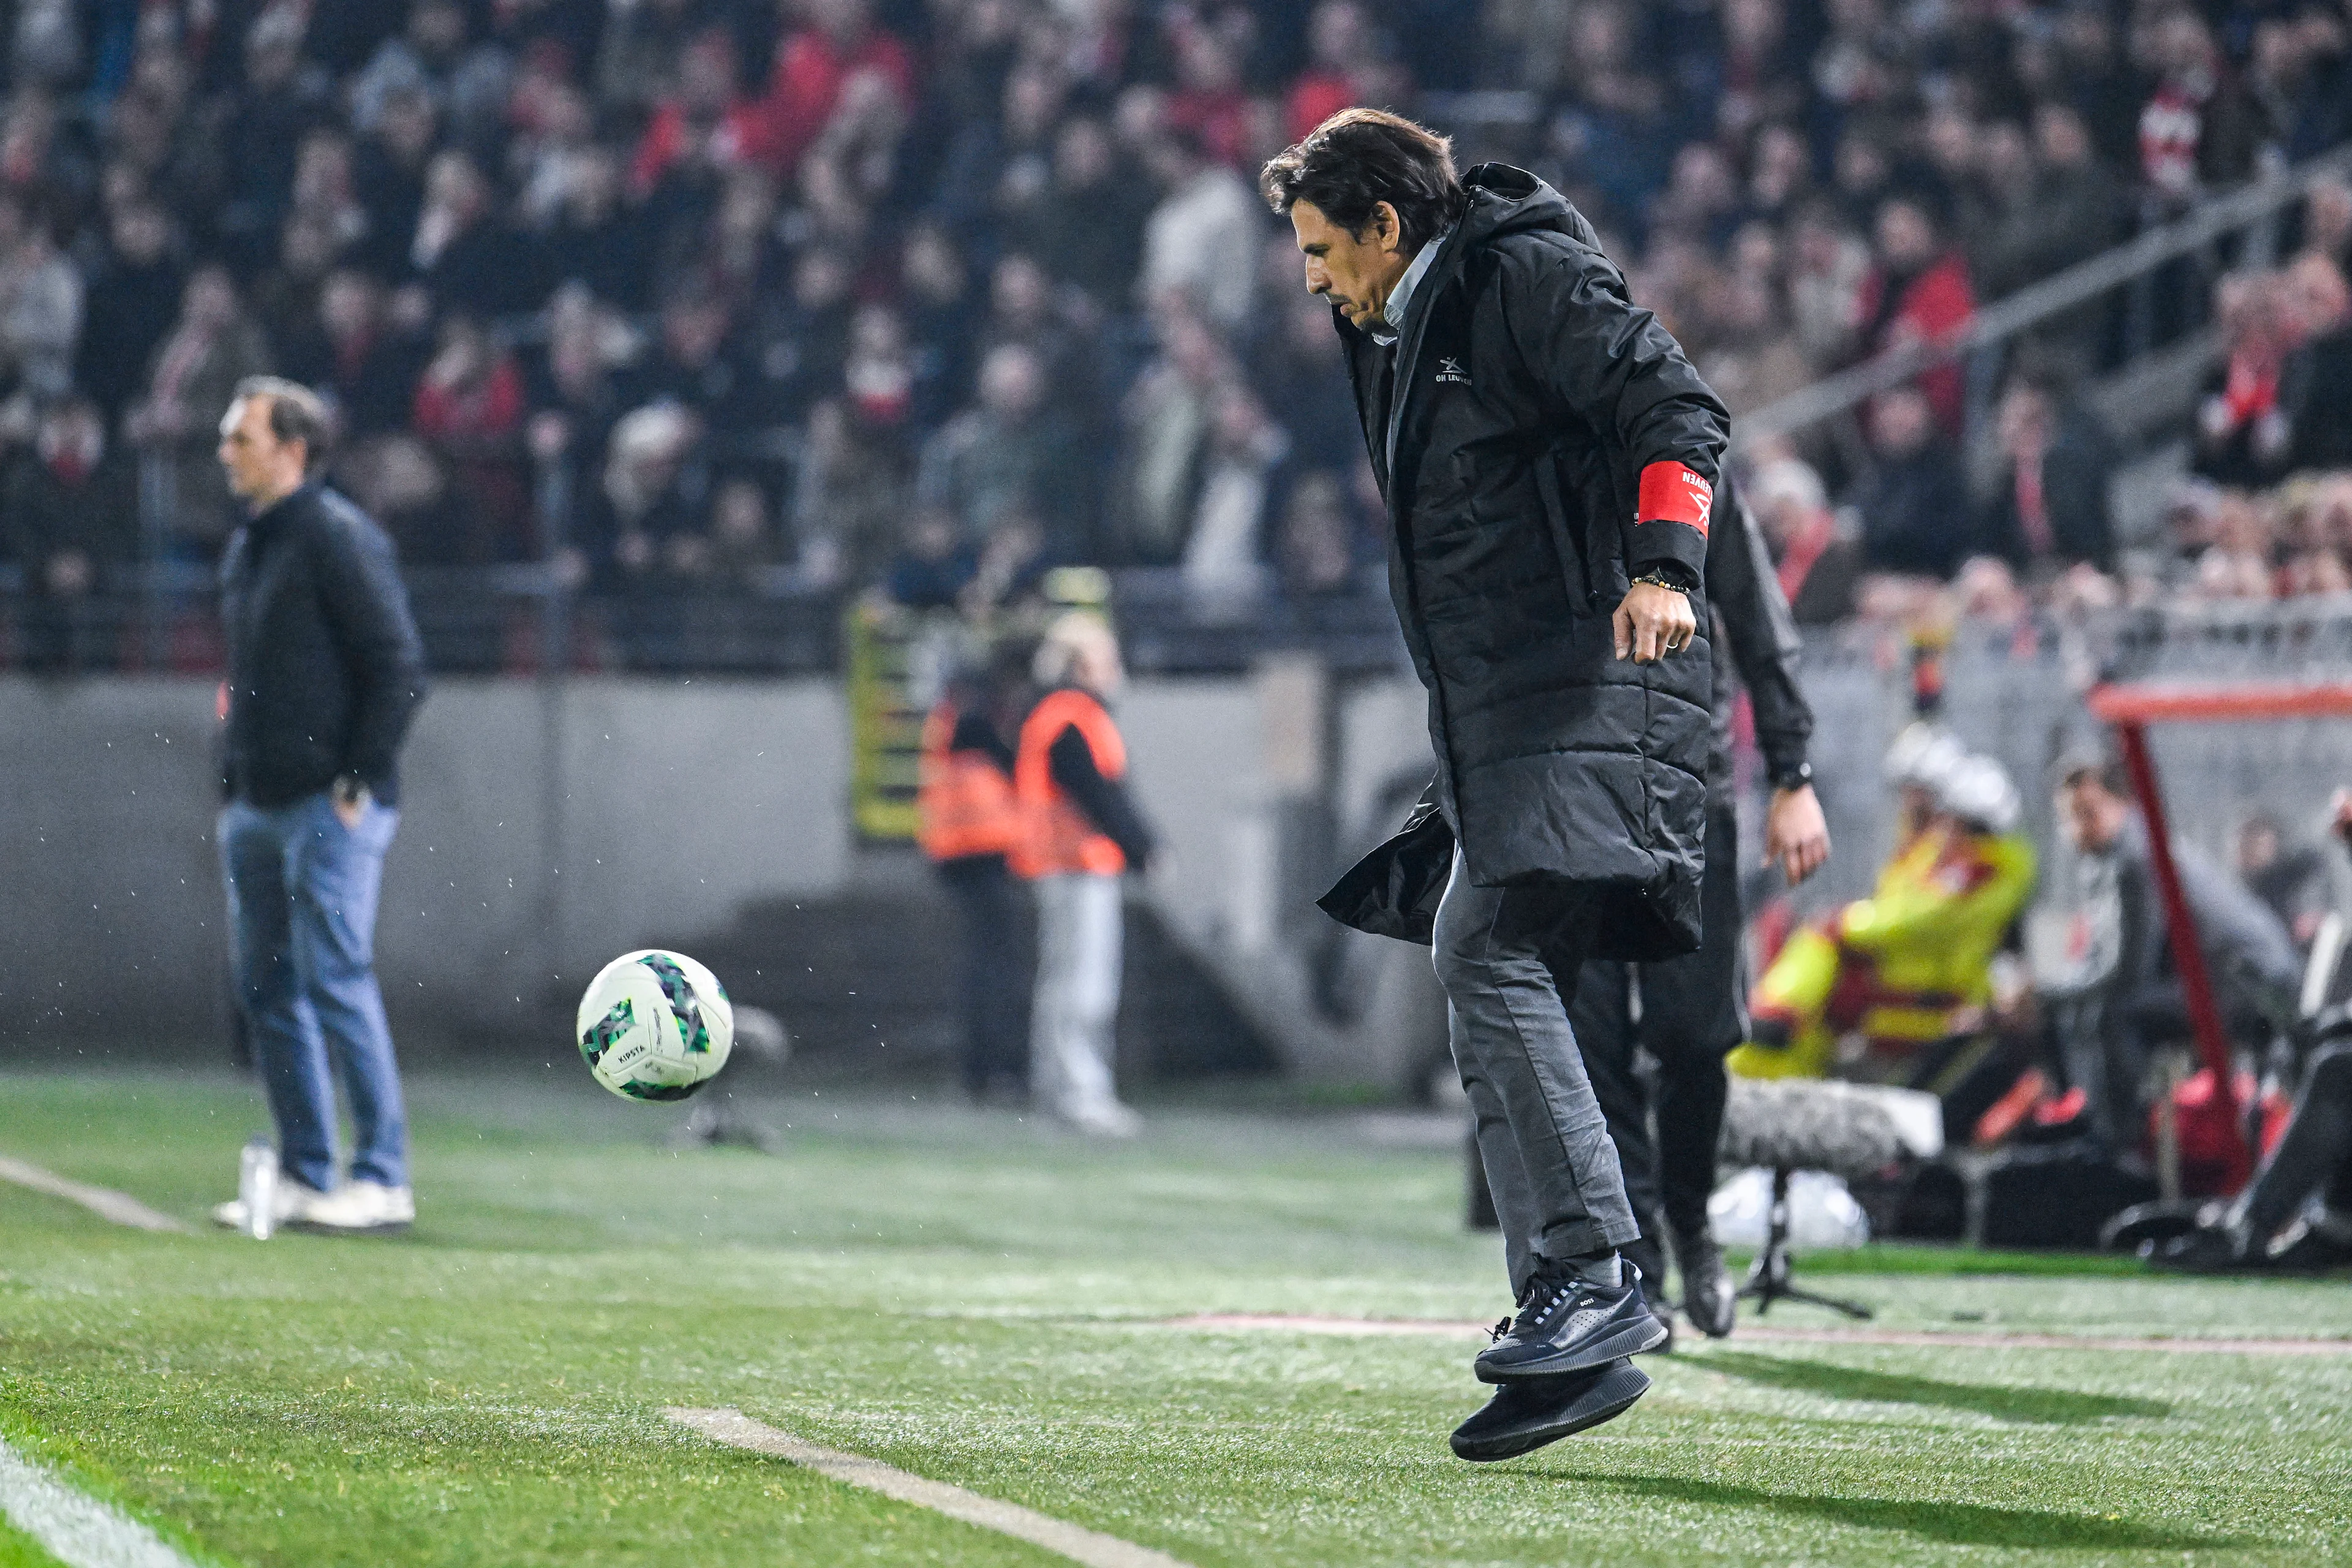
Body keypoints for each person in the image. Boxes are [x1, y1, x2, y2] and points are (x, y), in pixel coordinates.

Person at [1267, 109, 1727, 1460]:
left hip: (1590, 684)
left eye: (1316, 248)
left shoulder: (1520, 276)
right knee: (1480, 951)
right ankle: (1568, 1314)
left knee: (1487, 941)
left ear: (1385, 228)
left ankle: (1594, 1274)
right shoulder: (1400, 320)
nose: (1308, 278)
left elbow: (1680, 410)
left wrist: (1665, 570)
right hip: (1497, 703)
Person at [1553, 477, 1830, 1346]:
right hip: (1575, 792)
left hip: (1686, 794)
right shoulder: (1541, 463)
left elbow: (1758, 623)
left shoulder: (1692, 472)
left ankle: (1691, 1226)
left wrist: (1793, 775)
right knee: (1592, 1040)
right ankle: (1635, 1265)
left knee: (1694, 1034)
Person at [208, 377, 429, 1237]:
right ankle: (305, 1174)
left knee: (336, 980)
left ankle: (382, 1178)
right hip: (258, 804)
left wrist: (357, 779)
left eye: (242, 438)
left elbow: (400, 664)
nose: (226, 453)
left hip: (327, 804)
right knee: (267, 987)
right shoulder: (252, 546)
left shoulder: (337, 537)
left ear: (293, 449)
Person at [2041, 751, 2302, 1153]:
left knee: (2112, 1013)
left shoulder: (2135, 859)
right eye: (2069, 818)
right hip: (2218, 982)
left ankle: (2119, 1146)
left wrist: (2047, 993)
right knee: (2084, 1007)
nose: (2077, 829)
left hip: (2248, 990)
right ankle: (2093, 1120)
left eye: (2088, 813)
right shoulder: (2117, 858)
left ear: (2122, 804)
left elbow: (2126, 973)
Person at [1734, 751, 2036, 1084]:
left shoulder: (1977, 870)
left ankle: (1774, 1020)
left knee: (1825, 953)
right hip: (1912, 977)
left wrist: (1846, 922)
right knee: (1826, 991)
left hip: (1927, 993)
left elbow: (1915, 917)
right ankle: (1776, 1035)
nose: (1943, 826)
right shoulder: (1956, 860)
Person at [1011, 615, 1155, 1137]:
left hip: (1060, 865)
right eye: (1104, 657)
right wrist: (1144, 848)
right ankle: (1081, 1093)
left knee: (1062, 985)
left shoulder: (1052, 712)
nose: (1115, 668)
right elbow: (1101, 794)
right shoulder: (1074, 715)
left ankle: (1058, 1088)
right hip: (1076, 866)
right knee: (1084, 988)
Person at [917, 658, 1029, 1102]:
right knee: (995, 968)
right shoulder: (974, 725)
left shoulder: (947, 723)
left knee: (981, 966)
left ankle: (981, 1070)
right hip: (984, 854)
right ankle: (995, 1068)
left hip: (960, 856)